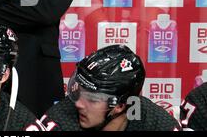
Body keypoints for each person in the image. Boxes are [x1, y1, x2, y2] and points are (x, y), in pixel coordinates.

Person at [39, 45, 181, 131]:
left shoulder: (155, 123)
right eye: (80, 93)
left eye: (92, 99)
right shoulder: (60, 120)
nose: (78, 104)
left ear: (119, 106)